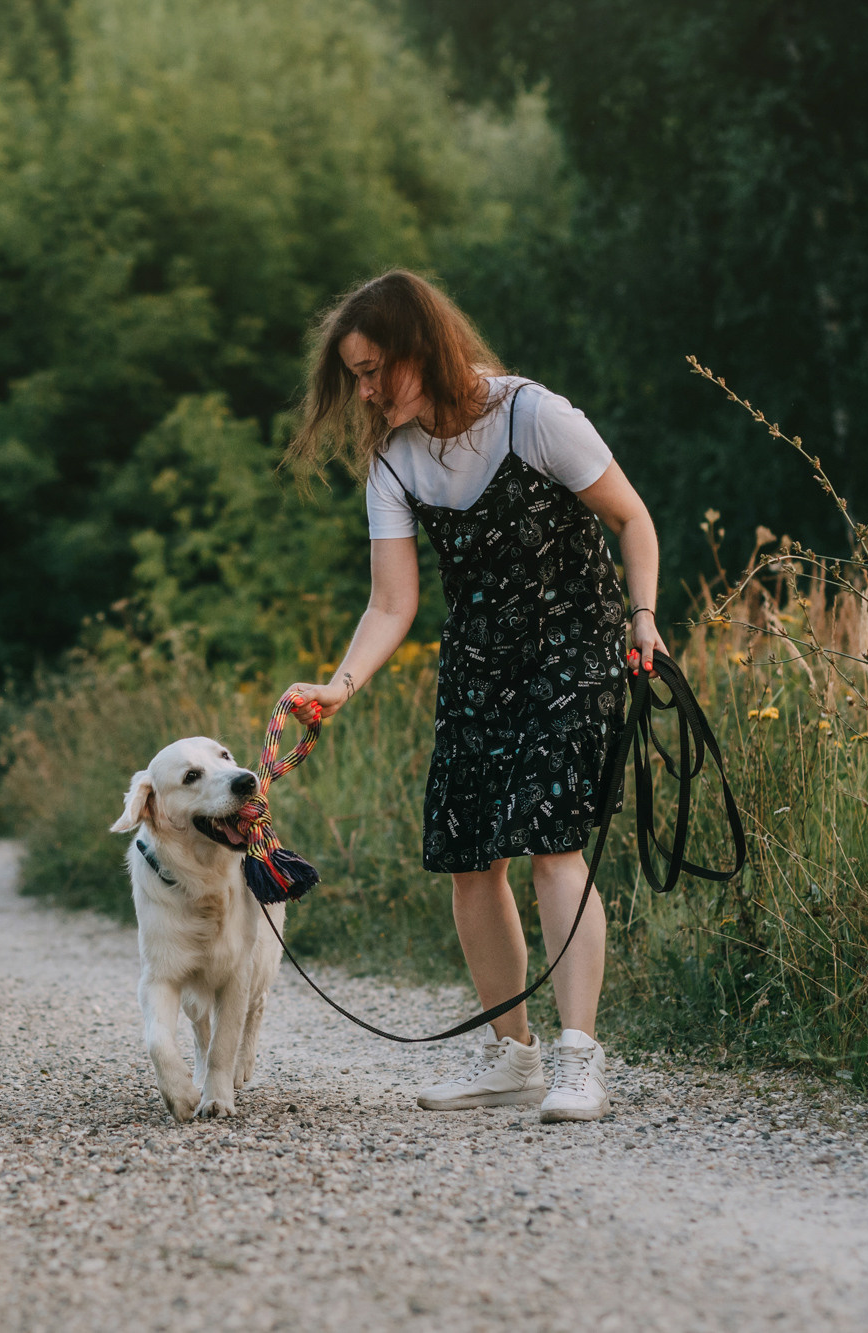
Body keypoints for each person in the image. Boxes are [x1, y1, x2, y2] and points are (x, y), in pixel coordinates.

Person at [285, 270, 663, 1123]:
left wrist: (643, 617)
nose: (367, 389)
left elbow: (633, 518)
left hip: (576, 647)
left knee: (551, 845)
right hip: (479, 663)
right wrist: (338, 686)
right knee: (467, 860)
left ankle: (579, 1059)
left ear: (425, 350)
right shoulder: (393, 456)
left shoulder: (535, 416)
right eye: (356, 373)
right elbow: (391, 602)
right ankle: (513, 1058)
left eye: (377, 367)